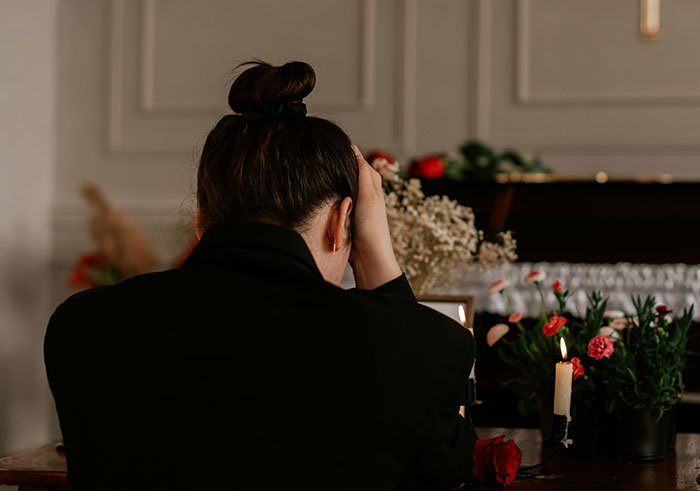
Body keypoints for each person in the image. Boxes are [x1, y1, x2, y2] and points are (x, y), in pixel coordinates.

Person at [44, 61, 477, 490]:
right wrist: (377, 260)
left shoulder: (83, 328)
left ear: (201, 224)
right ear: (343, 222)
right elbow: (441, 469)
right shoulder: (420, 346)